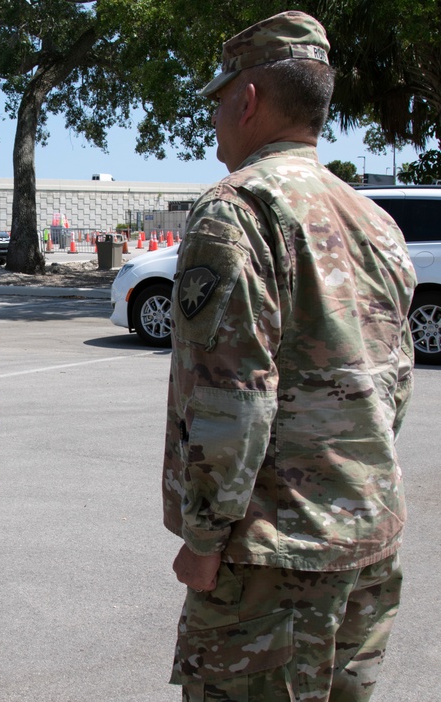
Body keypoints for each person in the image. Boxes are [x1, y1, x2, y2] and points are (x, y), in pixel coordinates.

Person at [162, 12, 415, 701]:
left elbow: (233, 394)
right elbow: (395, 384)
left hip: (274, 558)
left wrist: (205, 536)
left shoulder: (237, 211)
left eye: (219, 99)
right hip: (368, 538)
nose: (215, 116)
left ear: (248, 100)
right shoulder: (374, 220)